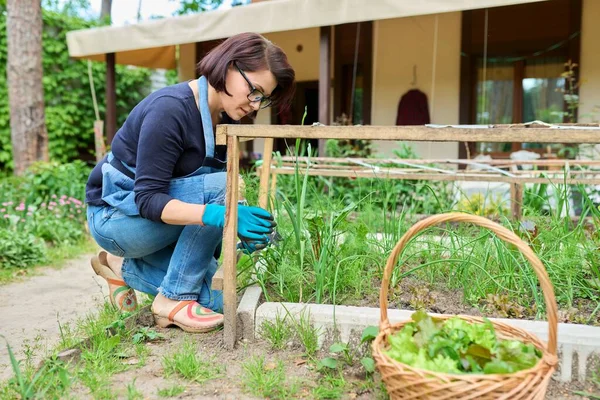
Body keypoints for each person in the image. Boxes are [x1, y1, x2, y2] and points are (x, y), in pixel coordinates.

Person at [86, 32, 296, 333]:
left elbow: (201, 198)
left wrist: (235, 230)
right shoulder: (170, 110)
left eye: (262, 98)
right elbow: (148, 200)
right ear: (228, 66)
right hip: (117, 218)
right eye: (254, 91)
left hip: (157, 224)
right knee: (226, 184)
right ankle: (171, 300)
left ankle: (121, 268)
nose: (254, 104)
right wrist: (222, 215)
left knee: (220, 300)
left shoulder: (225, 120)